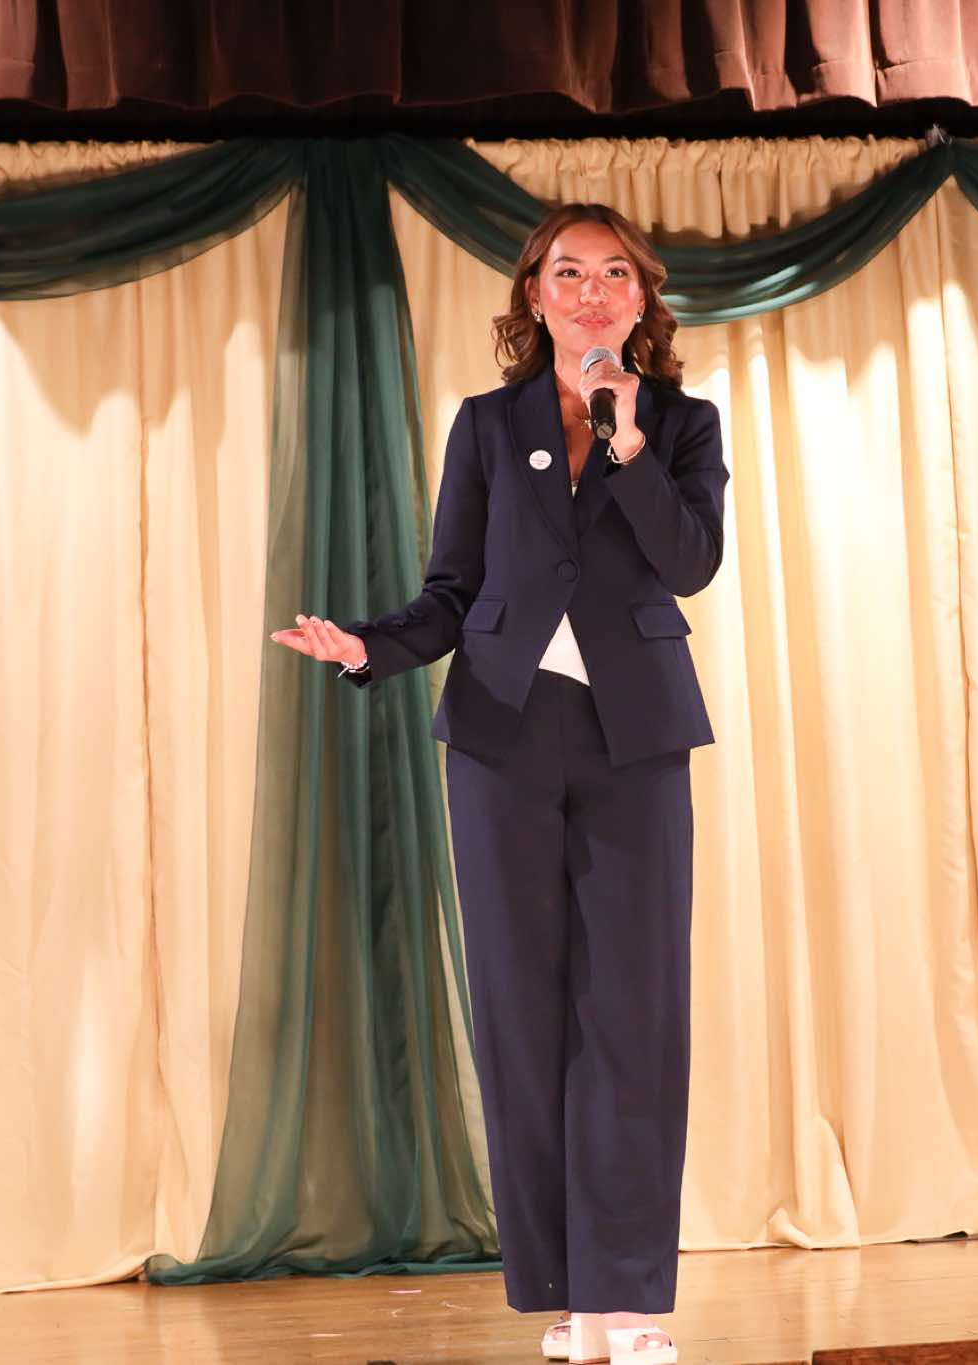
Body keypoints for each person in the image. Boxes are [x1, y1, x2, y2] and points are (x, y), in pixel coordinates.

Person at [272, 202, 726, 1365]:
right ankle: (569, 1304)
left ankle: (629, 1304)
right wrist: (369, 646)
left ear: (640, 298)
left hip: (634, 742)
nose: (589, 291)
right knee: (522, 1020)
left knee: (632, 1019)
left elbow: (689, 562)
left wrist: (625, 438)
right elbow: (452, 591)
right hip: (500, 743)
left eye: (611, 274)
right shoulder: (486, 425)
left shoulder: (679, 423)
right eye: (565, 272)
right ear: (533, 294)